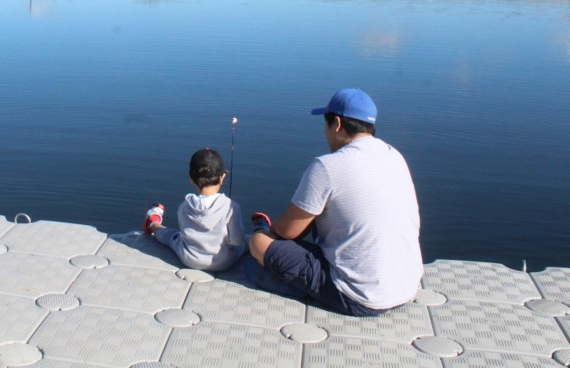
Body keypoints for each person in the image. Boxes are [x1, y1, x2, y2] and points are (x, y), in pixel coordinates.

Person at [247, 88, 422, 316]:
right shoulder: (395, 156)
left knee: (259, 242)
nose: (325, 132)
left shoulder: (326, 166)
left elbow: (286, 231)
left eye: (325, 125)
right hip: (407, 286)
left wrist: (266, 230)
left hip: (360, 297)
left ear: (337, 124)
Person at [143, 147, 246, 272]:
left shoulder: (184, 206)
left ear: (191, 178)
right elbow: (236, 240)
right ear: (222, 178)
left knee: (171, 236)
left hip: (189, 259)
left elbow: (184, 234)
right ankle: (262, 229)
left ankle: (153, 223)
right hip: (224, 262)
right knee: (248, 240)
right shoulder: (232, 207)